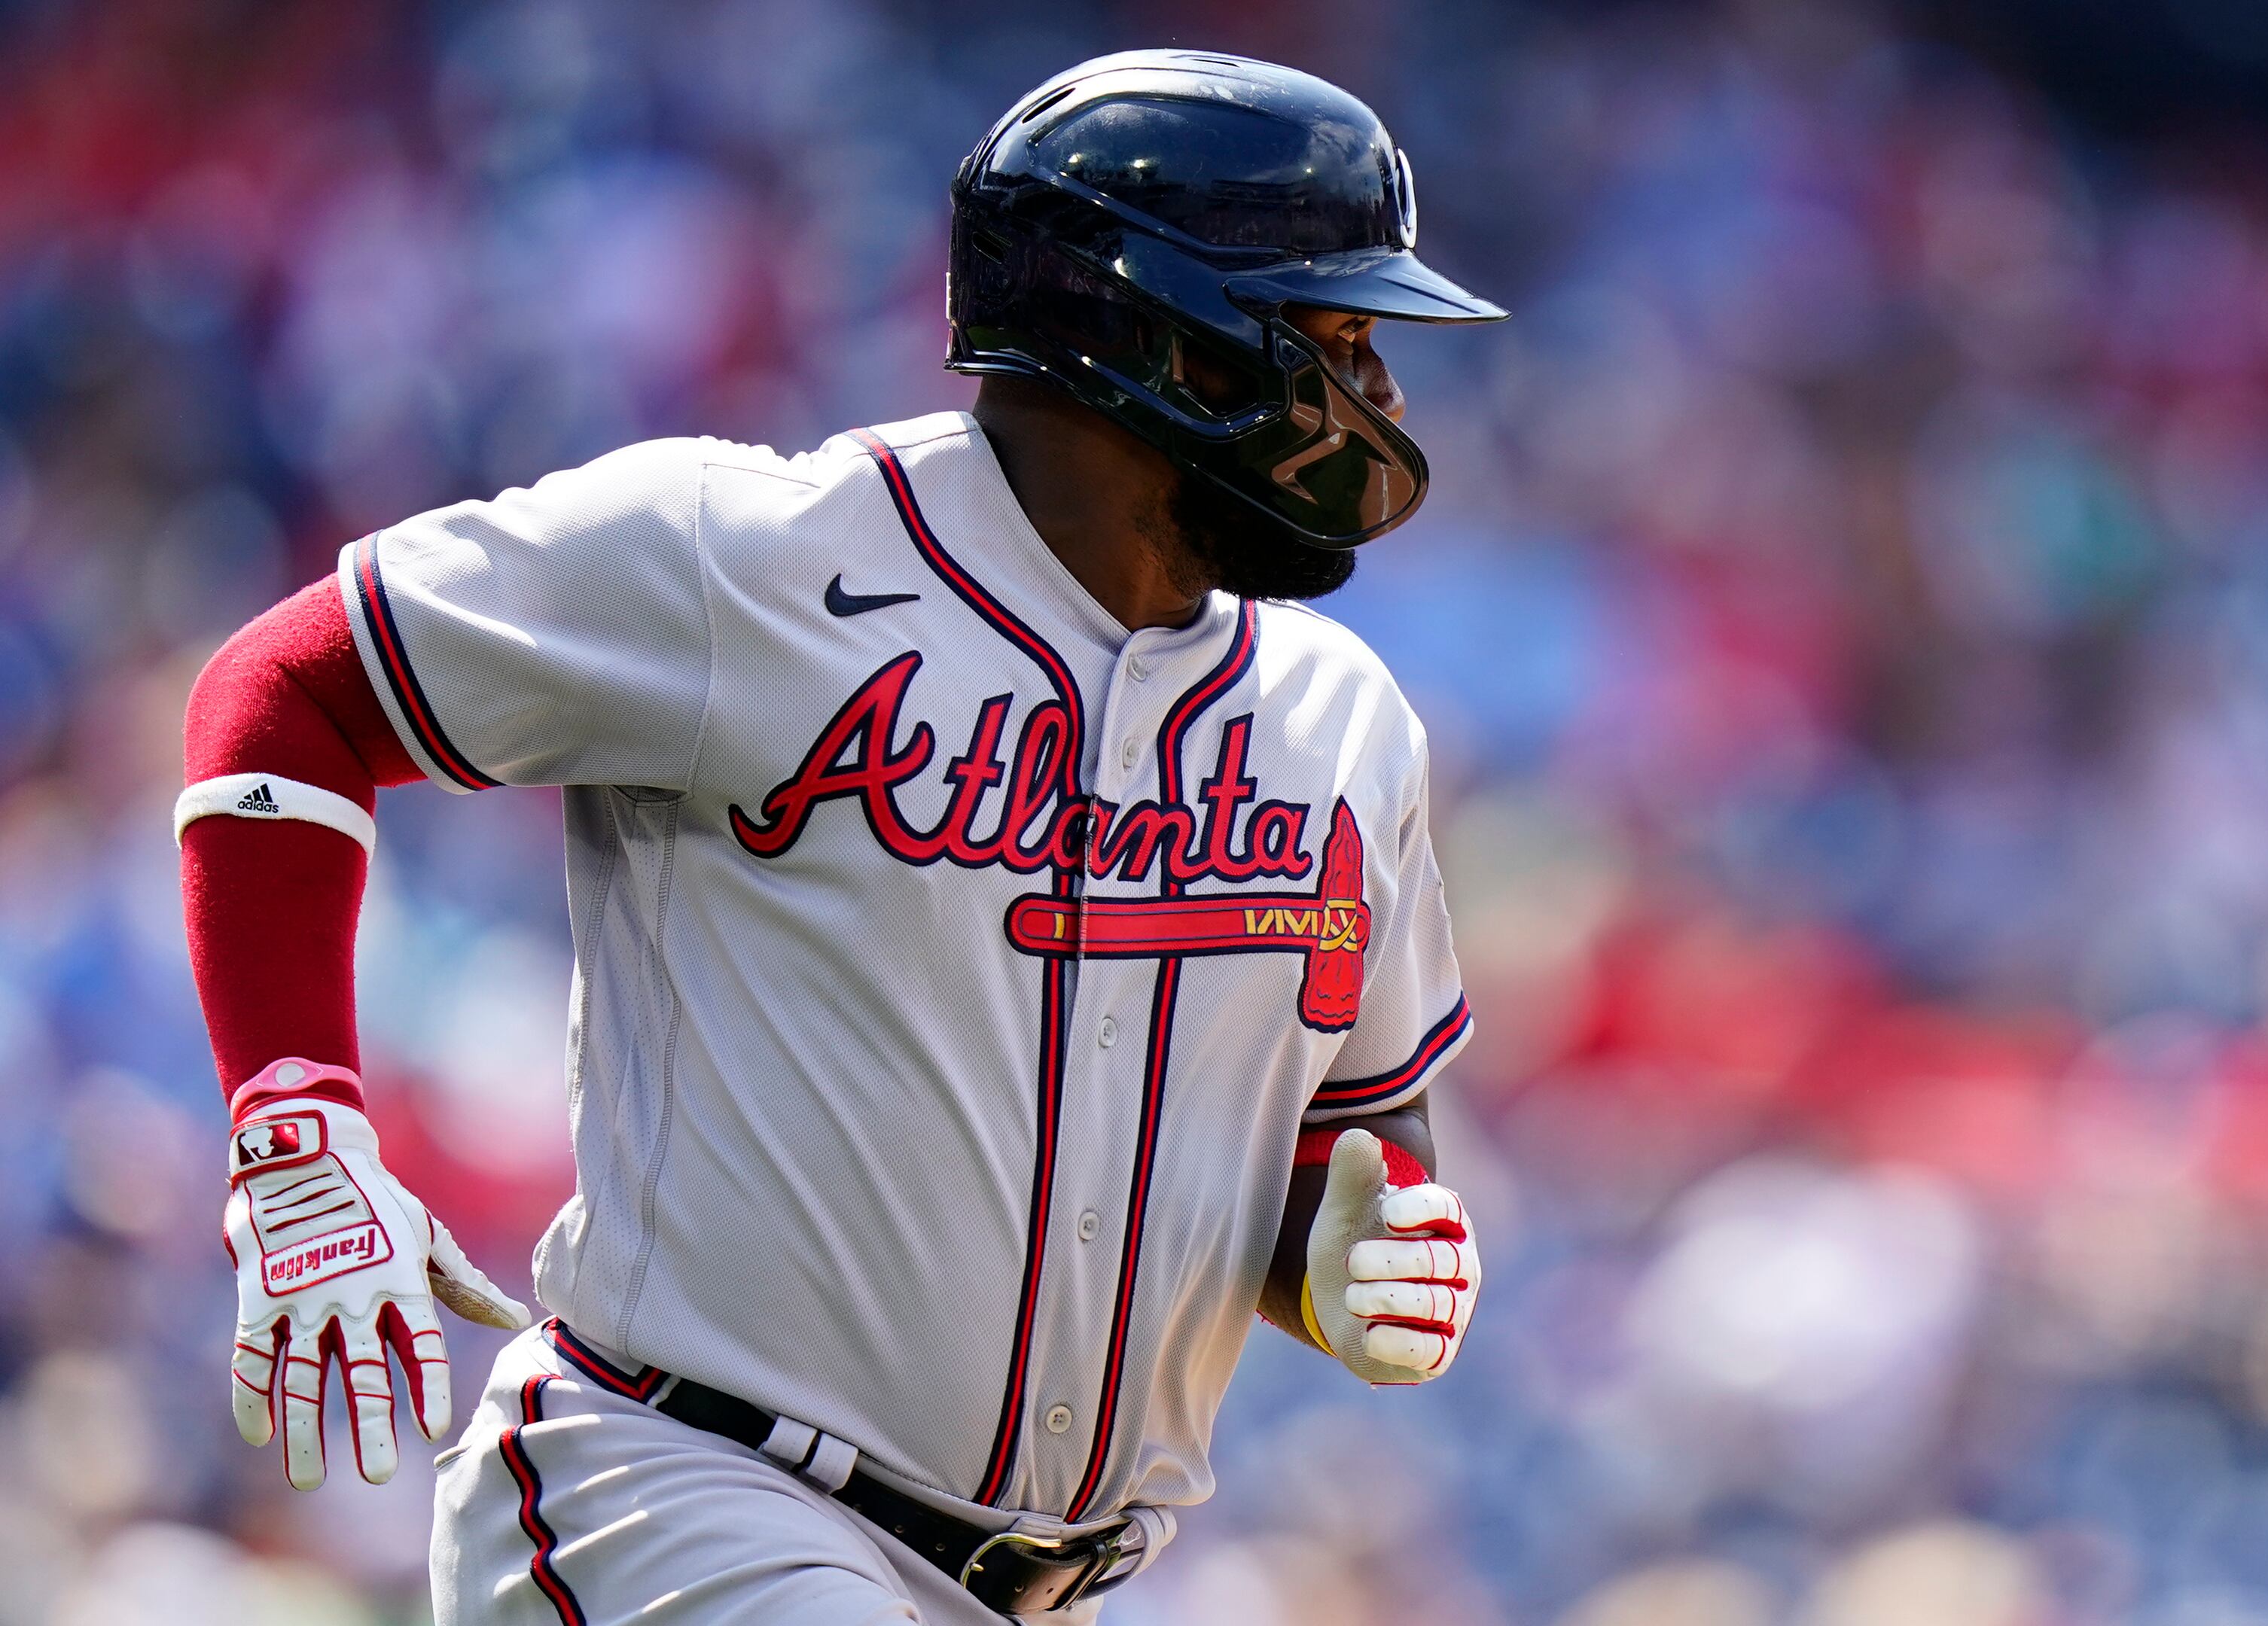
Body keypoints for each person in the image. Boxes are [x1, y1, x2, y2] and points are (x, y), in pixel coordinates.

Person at [180, 50, 1501, 1623]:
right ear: (1167, 336)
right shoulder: (750, 559)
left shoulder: (1337, 719)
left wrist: (1351, 1259)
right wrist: (298, 1122)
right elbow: (286, 692)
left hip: (1047, 1587)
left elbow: (1359, 1145)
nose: (1383, 397)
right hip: (675, 1496)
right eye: (1339, 334)